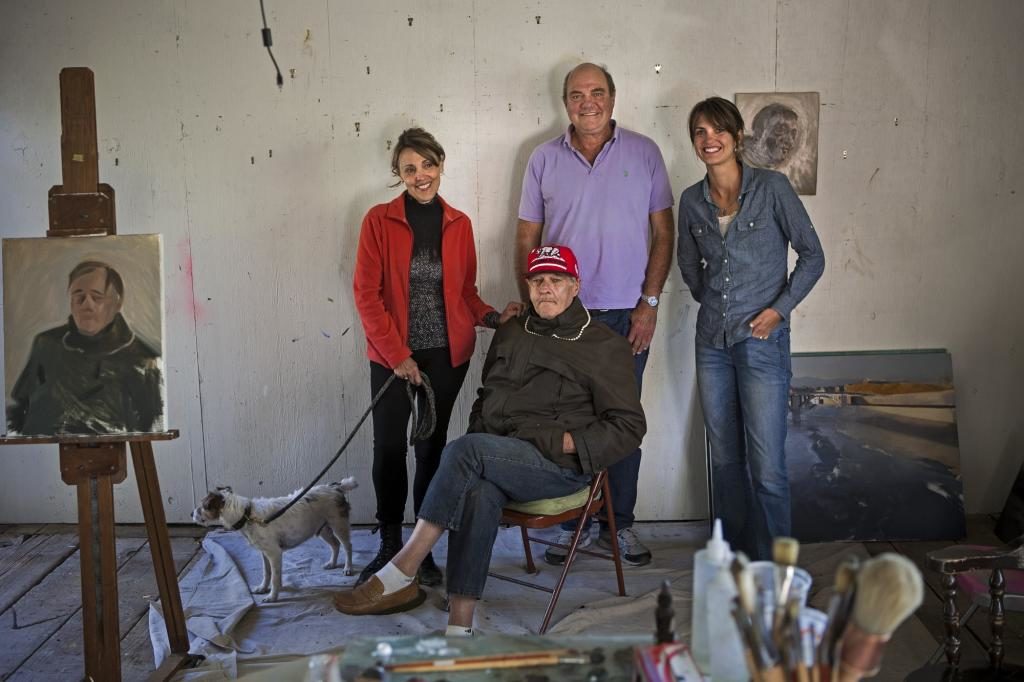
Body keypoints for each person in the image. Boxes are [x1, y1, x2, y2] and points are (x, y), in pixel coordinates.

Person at [334, 244, 646, 634]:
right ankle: (460, 627)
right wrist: (483, 443)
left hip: (558, 465)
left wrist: (569, 443)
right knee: (478, 488)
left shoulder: (603, 345)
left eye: (556, 280)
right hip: (500, 453)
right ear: (528, 286)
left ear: (575, 285)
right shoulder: (513, 330)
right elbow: (487, 395)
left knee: (466, 451)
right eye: (537, 280)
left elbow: (629, 426)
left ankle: (402, 570)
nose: (545, 288)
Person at [515, 62, 674, 567]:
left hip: (628, 314)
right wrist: (538, 307)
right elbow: (526, 238)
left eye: (598, 92)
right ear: (565, 102)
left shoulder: (645, 152)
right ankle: (573, 524)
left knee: (623, 424)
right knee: (568, 422)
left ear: (613, 97)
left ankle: (618, 525)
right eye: (577, 94)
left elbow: (664, 235)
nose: (588, 102)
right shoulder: (542, 159)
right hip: (564, 320)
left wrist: (649, 303)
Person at [352, 127, 522, 588]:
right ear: (398, 174)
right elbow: (367, 296)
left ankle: (420, 551)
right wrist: (397, 355)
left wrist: (492, 316)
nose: (420, 175)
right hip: (393, 358)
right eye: (410, 168)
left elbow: (464, 293)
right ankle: (389, 544)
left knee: (430, 451)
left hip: (446, 358)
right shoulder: (377, 221)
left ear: (441, 164)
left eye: (428, 165)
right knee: (388, 447)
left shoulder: (459, 224)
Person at [677, 97, 825, 560]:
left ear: (738, 136)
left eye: (718, 130)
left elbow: (813, 256)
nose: (709, 139)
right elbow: (688, 263)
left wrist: (778, 310)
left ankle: (772, 566)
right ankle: (732, 558)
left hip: (762, 342)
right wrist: (714, 303)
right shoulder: (691, 200)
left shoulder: (773, 188)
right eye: (700, 132)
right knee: (724, 461)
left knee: (766, 466)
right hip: (712, 343)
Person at [7, 260, 163, 436]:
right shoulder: (47, 344)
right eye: (78, 296)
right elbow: (20, 411)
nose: (86, 305)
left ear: (117, 303)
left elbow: (152, 426)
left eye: (97, 297)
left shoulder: (145, 361)